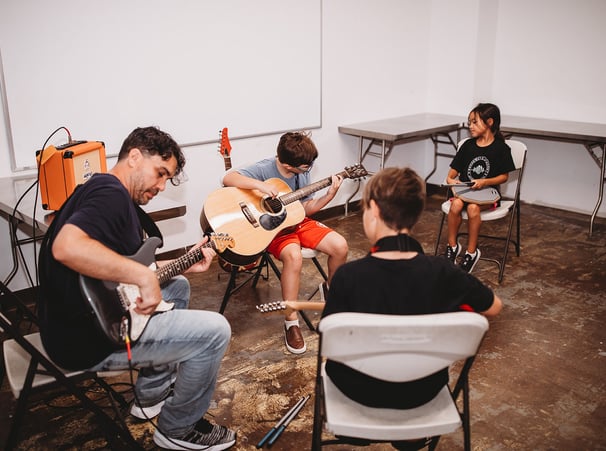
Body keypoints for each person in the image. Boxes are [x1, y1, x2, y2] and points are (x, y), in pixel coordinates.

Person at [38, 127, 236, 451]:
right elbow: (67, 247)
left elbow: (124, 264)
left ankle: (151, 396)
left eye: (167, 179)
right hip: (85, 338)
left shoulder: (110, 194)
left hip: (74, 320)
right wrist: (144, 279)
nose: (161, 186)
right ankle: (178, 429)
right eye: (160, 173)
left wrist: (186, 262)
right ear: (134, 157)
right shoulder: (110, 193)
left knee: (178, 287)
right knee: (215, 332)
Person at [321, 166, 502, 411]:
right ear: (415, 215)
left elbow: (331, 344)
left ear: (374, 209)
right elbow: (494, 307)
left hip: (359, 391)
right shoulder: (444, 272)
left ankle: (359, 432)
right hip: (424, 391)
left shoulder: (348, 277)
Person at [222, 131, 348, 355]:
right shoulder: (264, 168)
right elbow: (228, 178)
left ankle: (330, 289)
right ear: (289, 165)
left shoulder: (302, 171)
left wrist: (328, 196)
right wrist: (260, 187)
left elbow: (305, 208)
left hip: (298, 221)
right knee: (294, 256)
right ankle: (291, 321)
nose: (308, 169)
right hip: (275, 229)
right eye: (305, 167)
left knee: (340, 246)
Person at [443, 102, 516, 273]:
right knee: (456, 205)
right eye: (469, 122)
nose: (471, 126)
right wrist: (453, 181)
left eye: (475, 122)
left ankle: (471, 252)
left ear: (489, 122)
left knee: (474, 209)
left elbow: (504, 177)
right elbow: (450, 175)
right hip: (465, 192)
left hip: (488, 194)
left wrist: (485, 181)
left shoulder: (501, 148)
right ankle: (452, 246)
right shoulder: (468, 146)